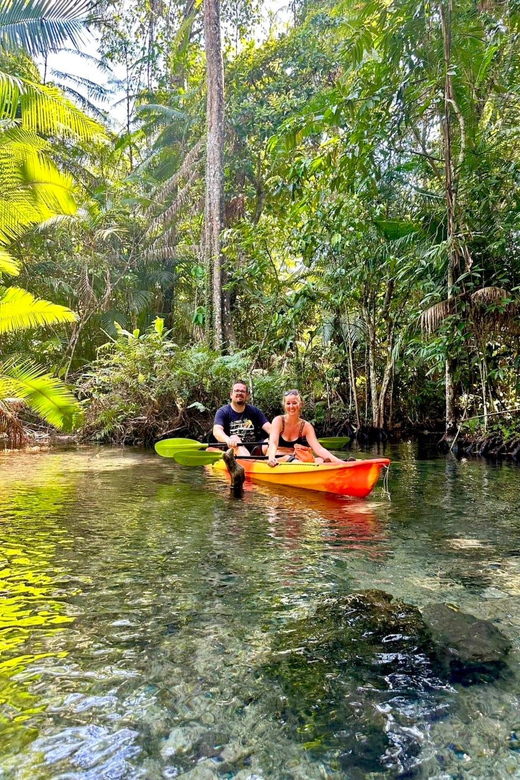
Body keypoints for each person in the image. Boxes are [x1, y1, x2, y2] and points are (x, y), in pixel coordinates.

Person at [267, 389, 343, 467]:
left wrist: (339, 461)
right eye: (288, 403)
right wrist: (271, 458)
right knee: (293, 461)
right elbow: (273, 443)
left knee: (320, 460)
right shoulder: (278, 421)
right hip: (278, 458)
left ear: (300, 404)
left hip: (297, 458)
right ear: (284, 405)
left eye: (294, 403)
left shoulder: (306, 426)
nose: (291, 406)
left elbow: (318, 449)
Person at [213, 380, 271, 456]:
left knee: (269, 441)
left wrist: (275, 438)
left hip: (254, 448)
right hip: (233, 448)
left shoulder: (255, 411)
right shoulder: (223, 412)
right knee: (235, 437)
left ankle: (269, 463)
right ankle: (248, 460)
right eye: (237, 391)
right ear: (231, 394)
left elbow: (270, 428)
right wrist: (228, 439)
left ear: (247, 395)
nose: (239, 393)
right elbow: (217, 430)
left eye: (242, 391)